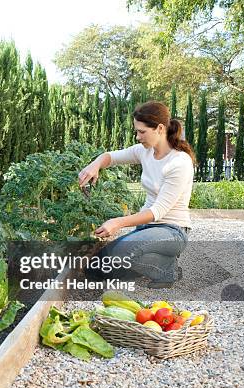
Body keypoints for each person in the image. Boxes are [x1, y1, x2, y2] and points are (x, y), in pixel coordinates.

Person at [78, 101, 194, 288]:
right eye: (136, 131)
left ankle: (167, 270)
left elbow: (157, 211)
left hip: (173, 231)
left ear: (160, 128)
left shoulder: (179, 163)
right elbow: (111, 157)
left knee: (120, 255)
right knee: (95, 269)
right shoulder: (144, 151)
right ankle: (155, 259)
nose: (138, 137)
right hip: (147, 229)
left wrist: (118, 222)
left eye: (142, 132)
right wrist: (95, 165)